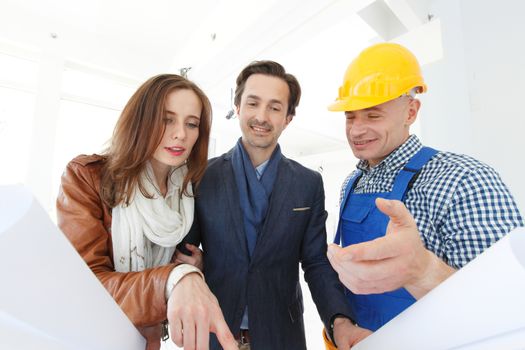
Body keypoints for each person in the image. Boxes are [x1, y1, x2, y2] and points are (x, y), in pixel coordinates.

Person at [325, 42, 524, 337]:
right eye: (350, 116)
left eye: (373, 115)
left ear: (411, 111)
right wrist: (341, 326)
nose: (356, 130)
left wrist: (422, 271)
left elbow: (511, 304)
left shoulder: (464, 179)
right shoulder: (351, 184)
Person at [177, 60, 370, 350]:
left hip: (282, 334)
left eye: (275, 107)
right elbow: (185, 256)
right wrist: (203, 264)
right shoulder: (202, 175)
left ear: (288, 118)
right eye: (253, 103)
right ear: (238, 107)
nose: (261, 117)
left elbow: (316, 262)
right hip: (214, 332)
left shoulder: (308, 183)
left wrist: (339, 321)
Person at [56, 74, 238, 350]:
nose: (181, 133)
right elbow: (86, 287)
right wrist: (175, 279)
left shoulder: (187, 192)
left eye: (192, 124)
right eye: (167, 119)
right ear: (141, 119)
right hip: (88, 338)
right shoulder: (88, 177)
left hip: (147, 341)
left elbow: (185, 261)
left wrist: (196, 265)